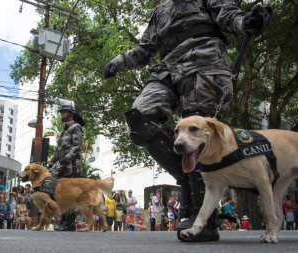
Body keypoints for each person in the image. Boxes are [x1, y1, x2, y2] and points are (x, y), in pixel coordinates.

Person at [103, 0, 271, 242]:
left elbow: (228, 16)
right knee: (140, 119)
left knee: (197, 137)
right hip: (167, 67)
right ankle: (185, 176)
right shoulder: (160, 10)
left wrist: (245, 22)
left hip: (205, 62)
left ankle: (204, 220)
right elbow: (144, 49)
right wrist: (118, 62)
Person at [48, 98, 85, 231]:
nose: (61, 114)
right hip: (63, 168)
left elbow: (76, 147)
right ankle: (64, 219)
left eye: (63, 112)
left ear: (71, 113)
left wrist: (66, 159)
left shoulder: (76, 127)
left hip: (72, 167)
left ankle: (69, 222)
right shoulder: (65, 129)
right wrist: (51, 163)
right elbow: (59, 151)